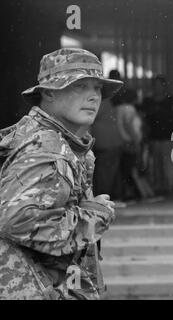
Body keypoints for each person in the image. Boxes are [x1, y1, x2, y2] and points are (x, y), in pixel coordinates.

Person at [0, 48, 122, 299]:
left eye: (97, 88)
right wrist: (94, 216)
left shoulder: (61, 141)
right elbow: (19, 221)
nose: (93, 97)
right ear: (48, 92)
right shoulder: (47, 146)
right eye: (80, 86)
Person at [140, 75, 173, 194]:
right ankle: (155, 189)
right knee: (153, 166)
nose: (157, 87)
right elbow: (143, 120)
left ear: (164, 86)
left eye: (159, 85)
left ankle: (169, 188)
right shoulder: (148, 101)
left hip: (168, 136)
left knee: (168, 165)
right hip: (153, 137)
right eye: (155, 85)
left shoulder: (171, 100)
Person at [91, 70, 124, 201]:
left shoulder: (99, 102)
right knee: (110, 173)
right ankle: (113, 198)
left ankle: (105, 199)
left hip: (107, 144)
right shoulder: (105, 101)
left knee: (105, 174)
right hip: (111, 143)